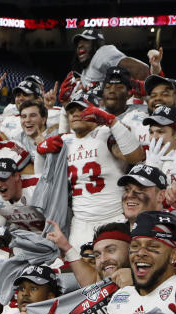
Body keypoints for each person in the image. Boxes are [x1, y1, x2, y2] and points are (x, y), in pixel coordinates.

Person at [56, 91, 144, 261]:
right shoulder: (65, 140)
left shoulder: (105, 133)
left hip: (113, 218)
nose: (75, 114)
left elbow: (136, 156)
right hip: (80, 223)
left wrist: (112, 121)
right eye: (71, 110)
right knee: (79, 275)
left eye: (81, 109)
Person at [71, 28, 150, 87]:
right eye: (78, 43)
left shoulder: (102, 53)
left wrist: (137, 98)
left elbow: (141, 70)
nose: (80, 45)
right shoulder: (87, 67)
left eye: (86, 41)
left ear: (97, 44)